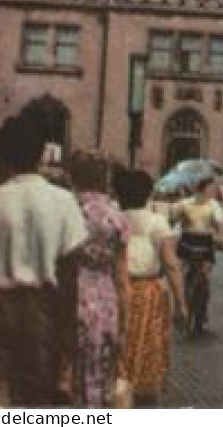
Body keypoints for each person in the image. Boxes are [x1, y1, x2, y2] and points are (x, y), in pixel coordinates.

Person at [0, 112, 88, 407]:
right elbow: (70, 276)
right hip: (45, 311)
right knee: (39, 396)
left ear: (4, 154)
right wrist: (68, 336)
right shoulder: (64, 201)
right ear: (41, 152)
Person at [116, 168, 184, 407]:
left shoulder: (114, 219)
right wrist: (181, 305)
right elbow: (172, 265)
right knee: (147, 354)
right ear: (147, 194)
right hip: (148, 295)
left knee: (120, 354)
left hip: (117, 291)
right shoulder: (157, 222)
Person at [67, 151, 130, 408]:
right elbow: (122, 278)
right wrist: (125, 328)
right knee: (101, 371)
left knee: (71, 370)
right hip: (105, 300)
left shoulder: (67, 209)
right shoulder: (116, 216)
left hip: (69, 294)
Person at [173, 177, 223, 336]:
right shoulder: (185, 204)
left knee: (204, 279)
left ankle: (201, 315)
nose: (212, 192)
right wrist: (180, 221)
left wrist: (221, 236)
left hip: (205, 243)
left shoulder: (214, 206)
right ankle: (180, 309)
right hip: (187, 242)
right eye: (210, 189)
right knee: (181, 277)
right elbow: (173, 219)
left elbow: (219, 224)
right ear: (201, 189)